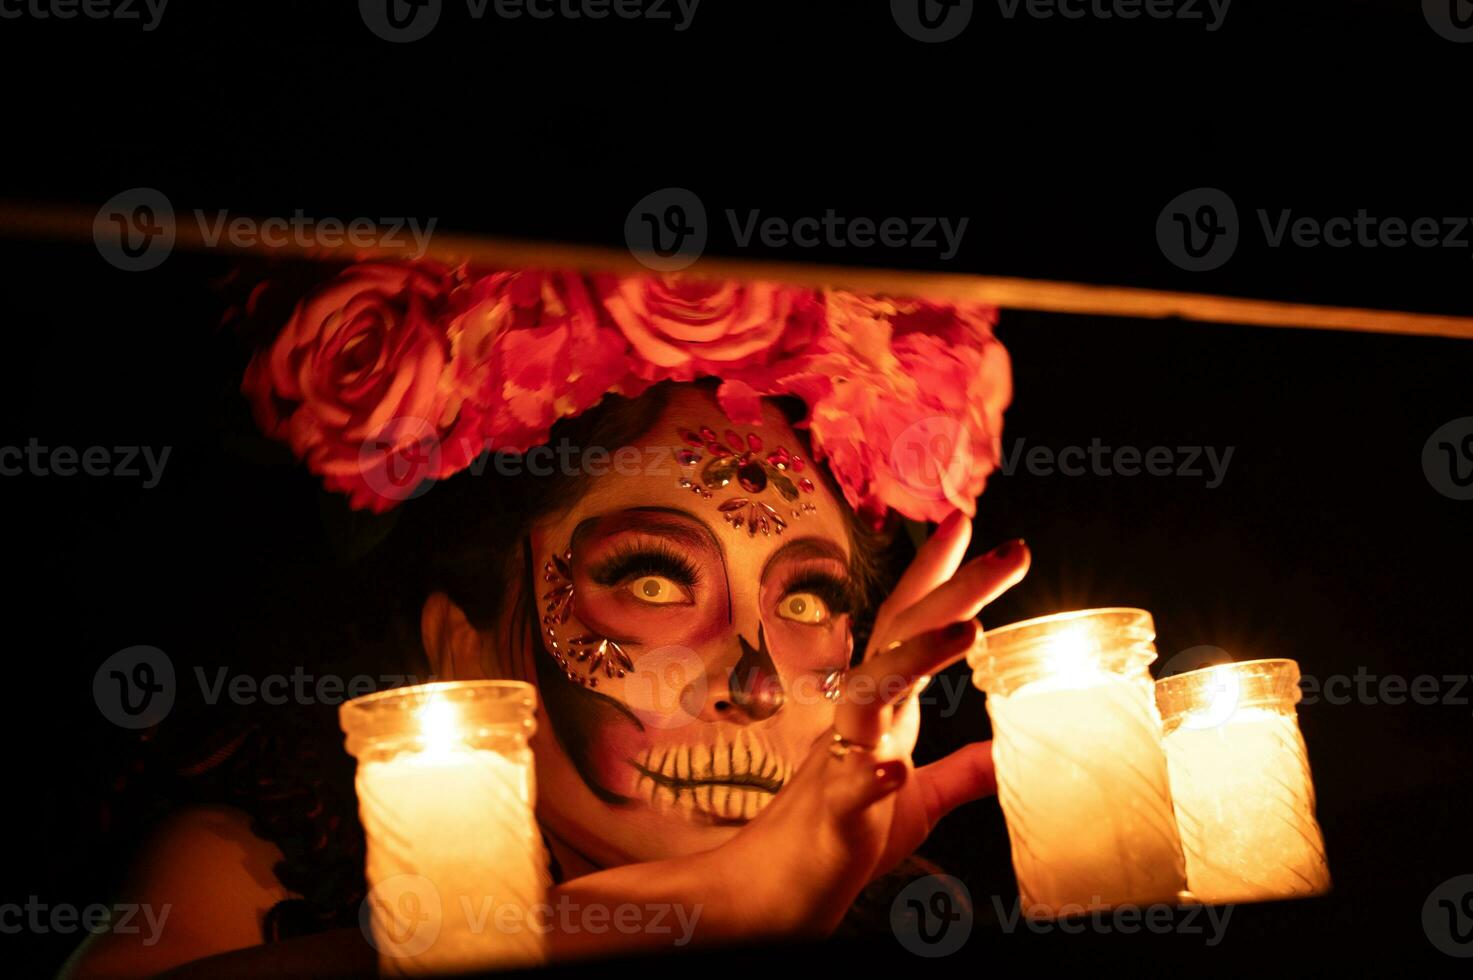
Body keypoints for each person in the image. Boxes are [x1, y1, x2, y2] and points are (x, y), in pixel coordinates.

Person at [63, 264, 1026, 976]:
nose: (756, 681)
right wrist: (701, 910)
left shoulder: (905, 913)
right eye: (653, 583)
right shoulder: (254, 878)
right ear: (463, 645)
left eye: (808, 599)